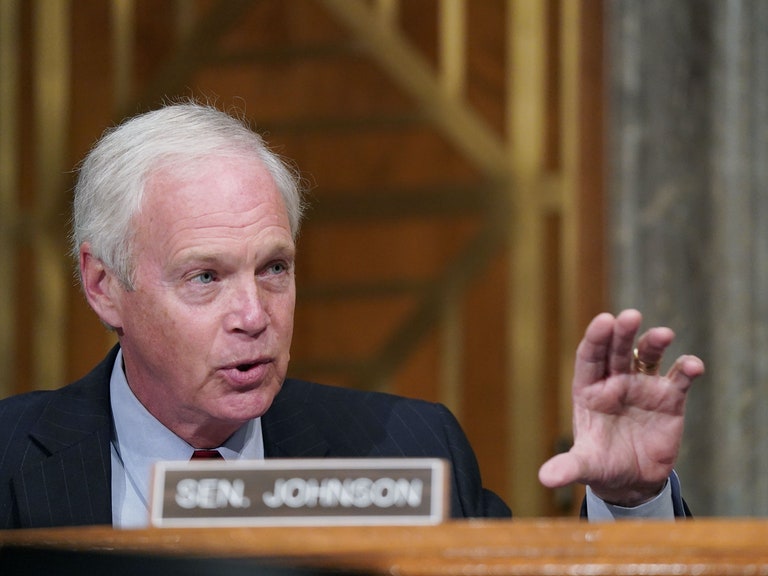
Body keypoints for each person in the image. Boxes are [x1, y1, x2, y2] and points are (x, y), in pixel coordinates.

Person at [0, 102, 705, 529]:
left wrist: (629, 501)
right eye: (205, 277)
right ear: (102, 285)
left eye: (273, 268)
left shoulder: (409, 447)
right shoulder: (11, 462)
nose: (254, 314)